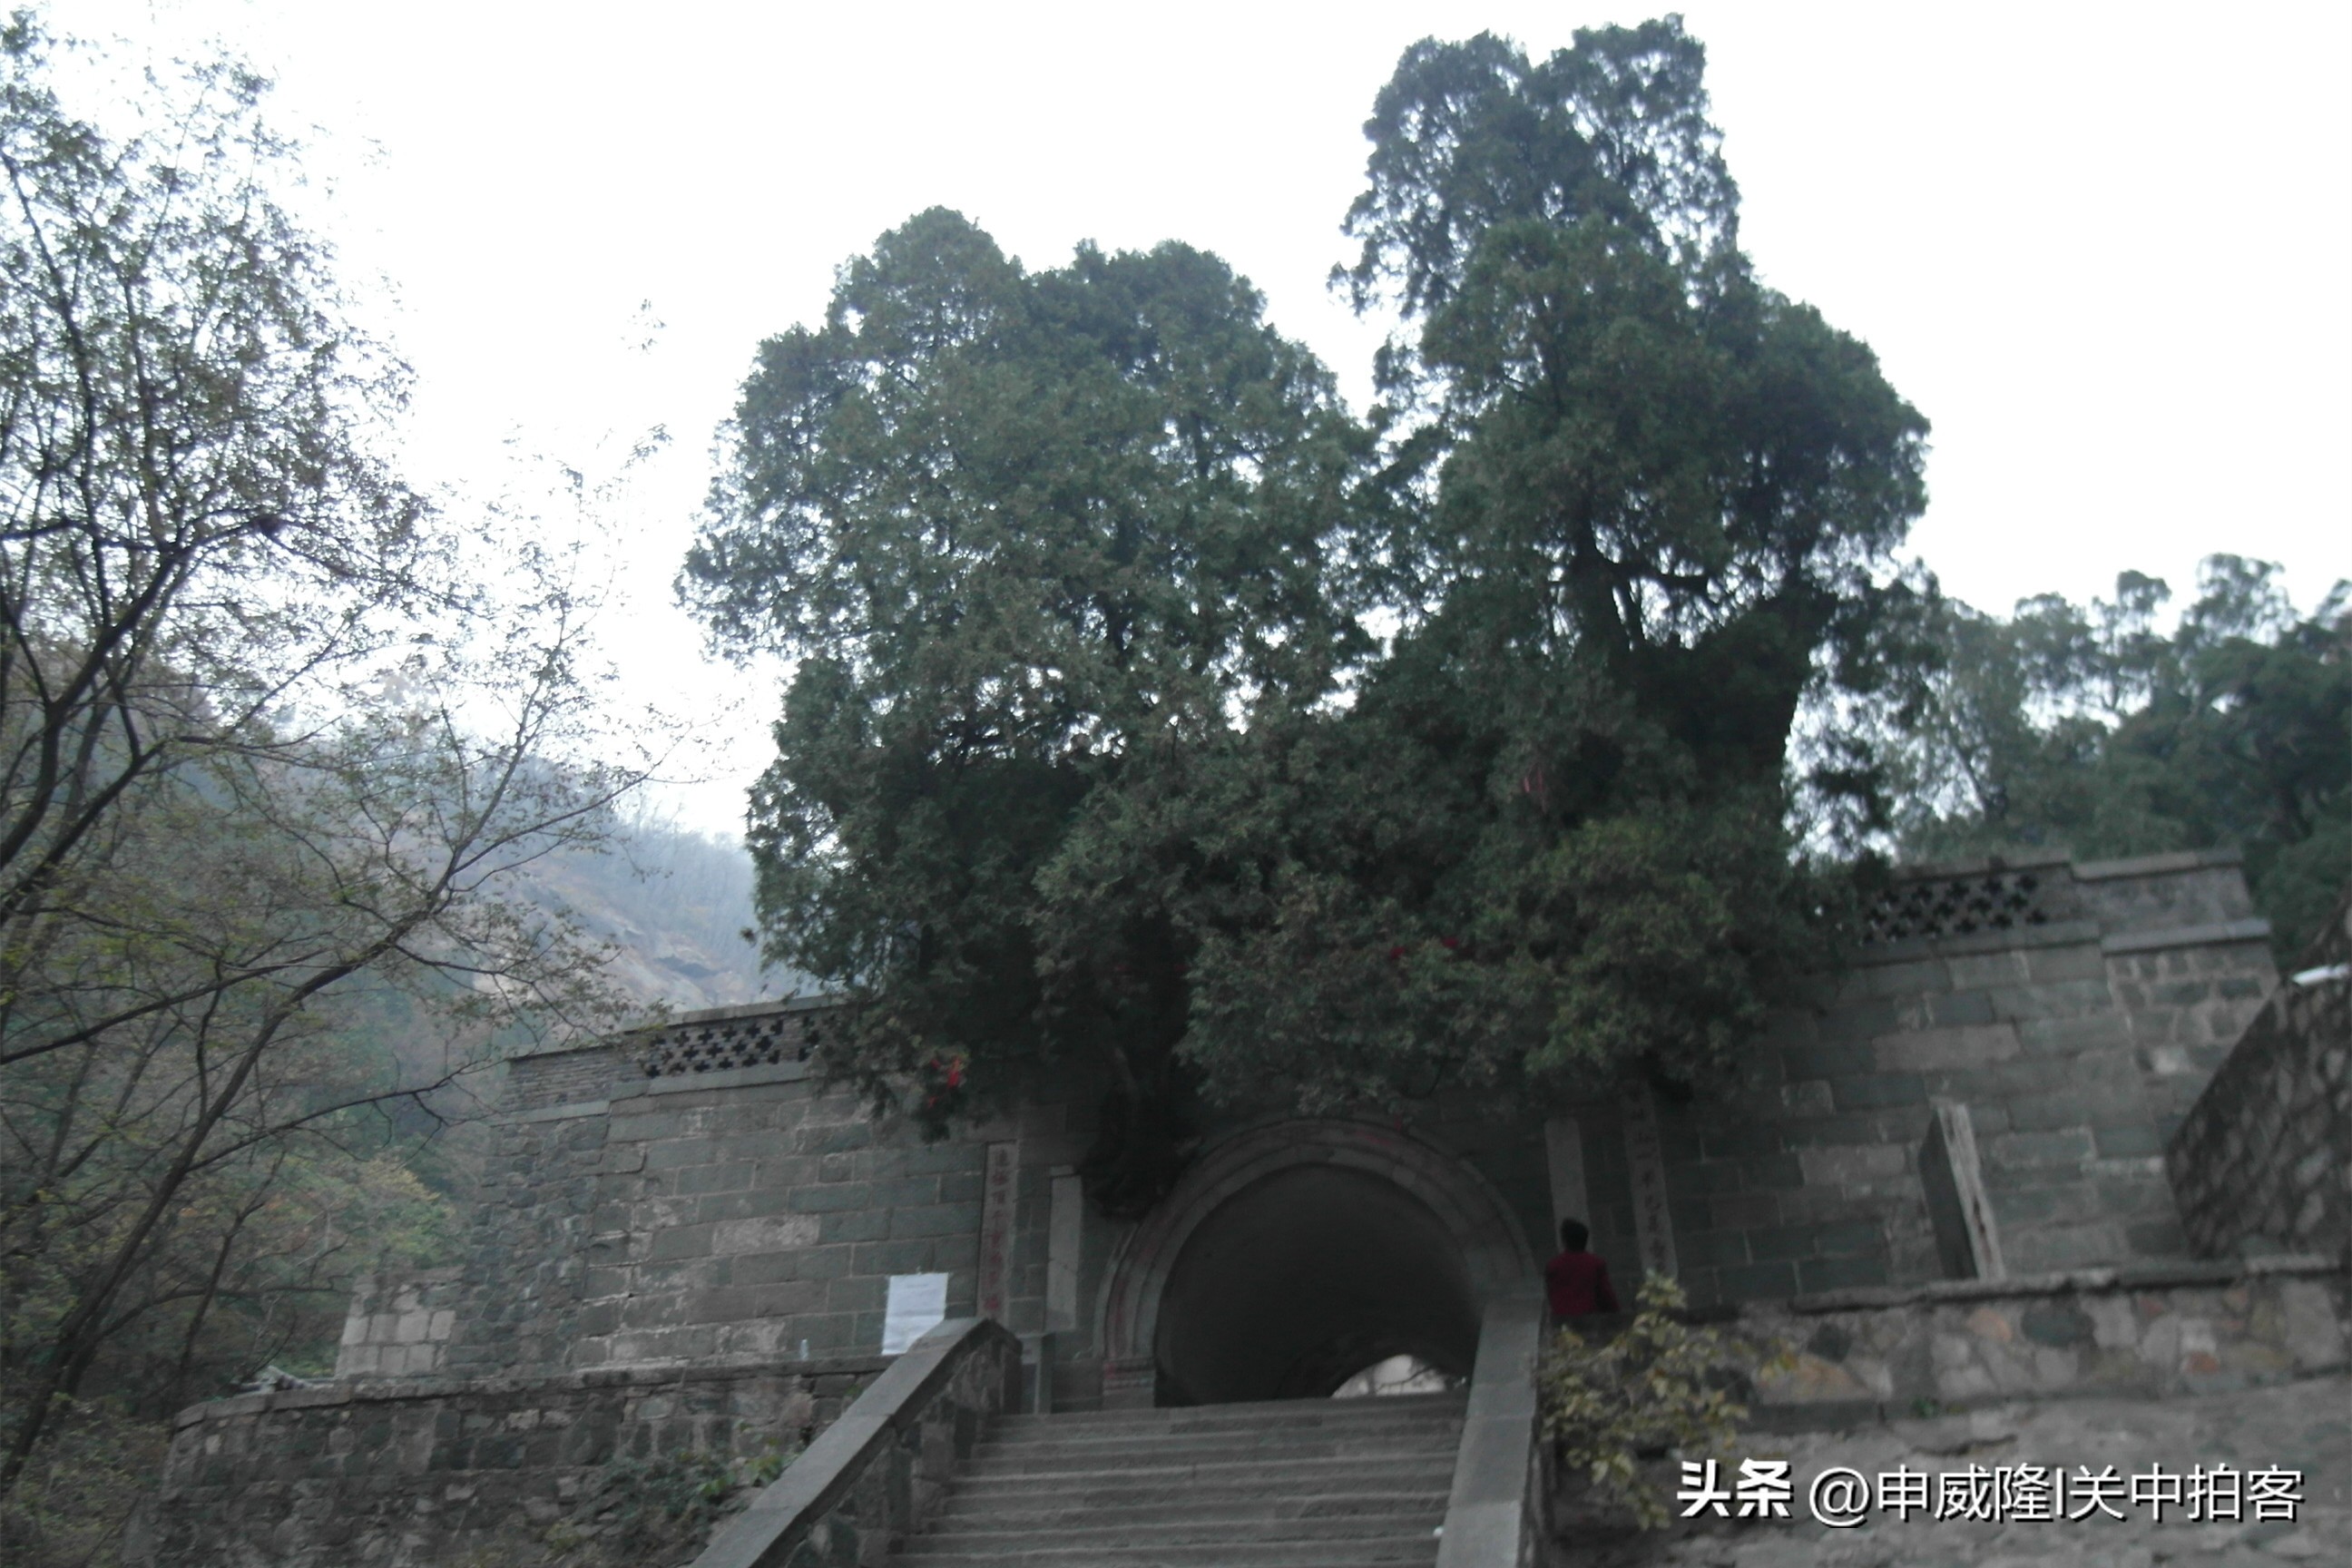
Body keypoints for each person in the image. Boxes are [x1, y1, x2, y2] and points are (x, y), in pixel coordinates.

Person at [1544, 1218, 1621, 1318]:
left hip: (1562, 1322)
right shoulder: (1596, 1263)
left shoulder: (1553, 1266)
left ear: (1565, 1240)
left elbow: (1551, 1295)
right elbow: (1606, 1295)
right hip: (1590, 1321)